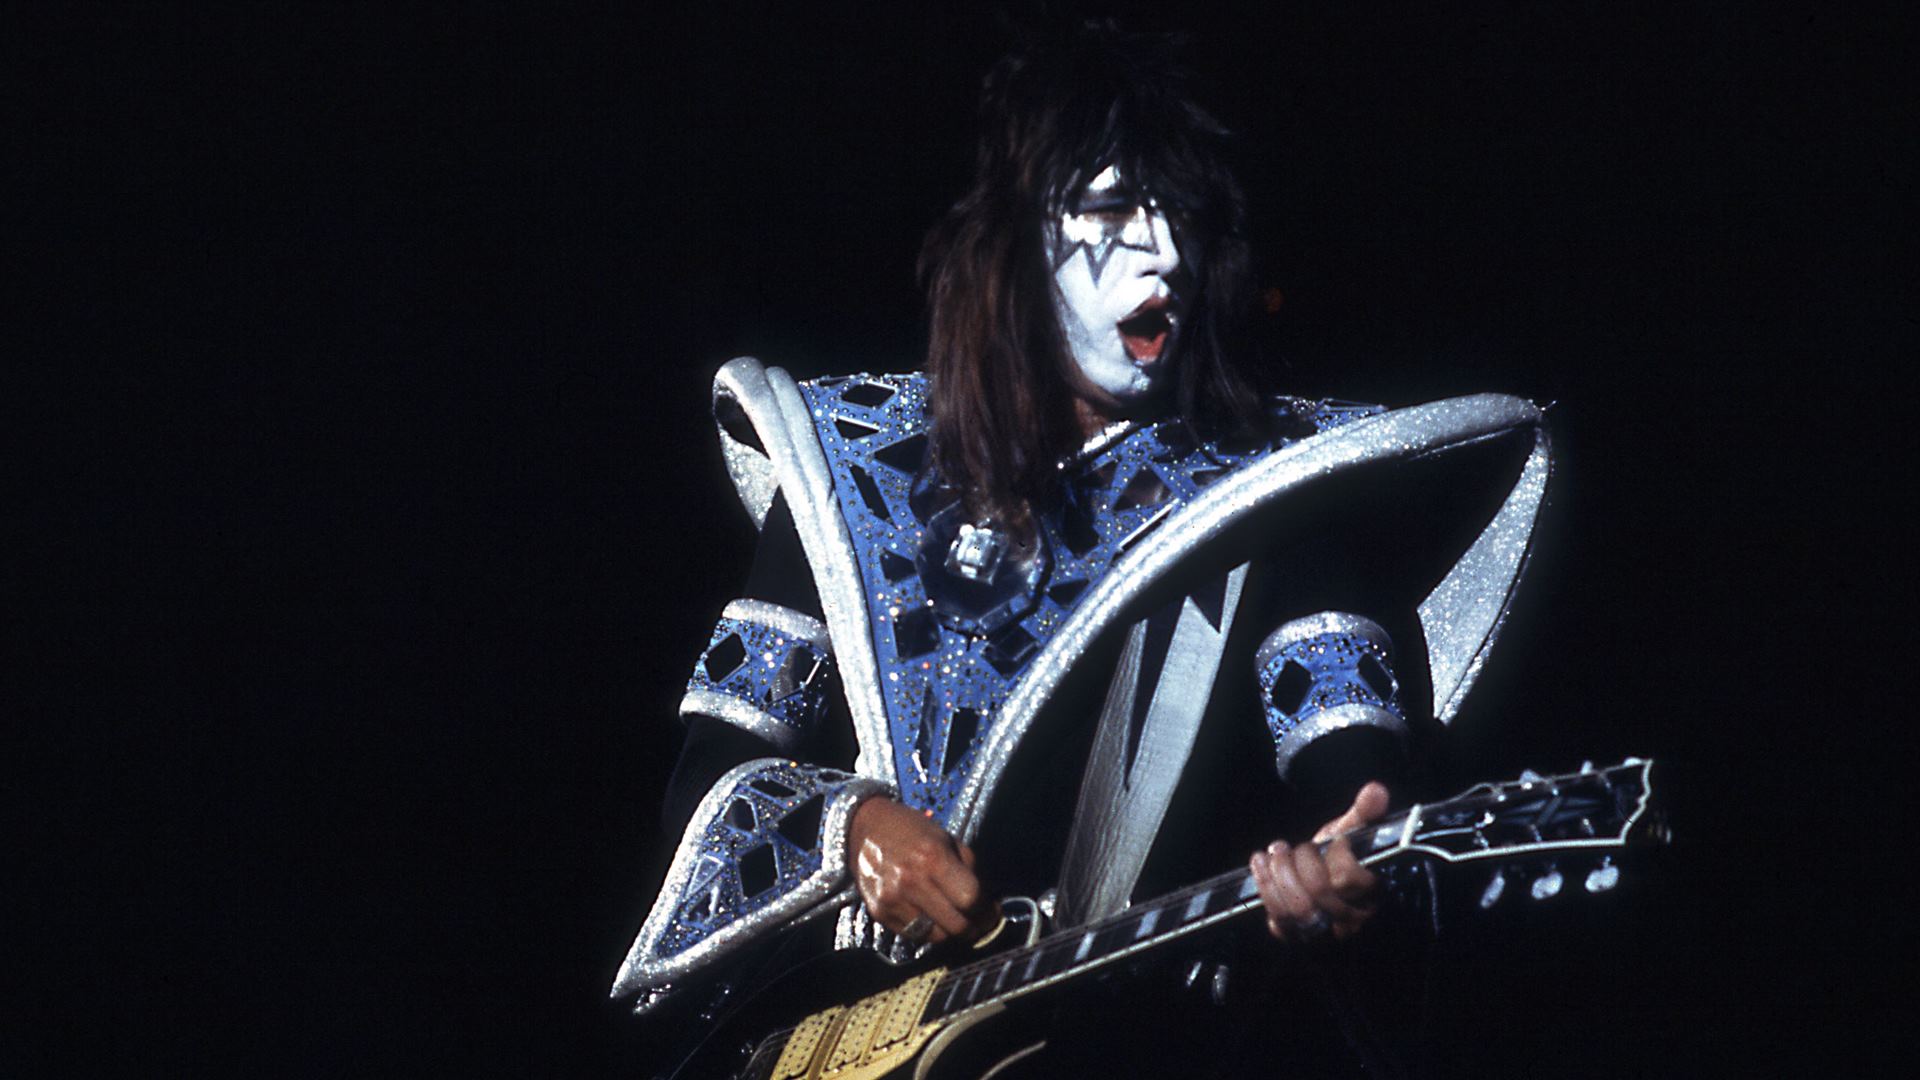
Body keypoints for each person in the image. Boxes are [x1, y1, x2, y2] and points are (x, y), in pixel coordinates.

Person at [613, 22, 1552, 1075]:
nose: (1163, 255)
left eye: (1182, 217)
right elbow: (709, 778)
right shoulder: (846, 463)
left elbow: (1354, 786)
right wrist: (856, 827)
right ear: (1015, 241)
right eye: (1111, 211)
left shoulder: (1279, 498)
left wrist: (1350, 873)